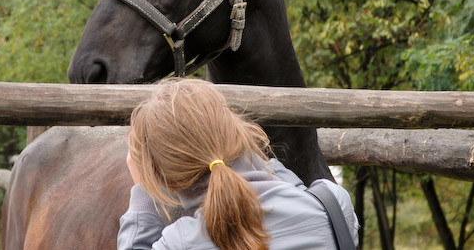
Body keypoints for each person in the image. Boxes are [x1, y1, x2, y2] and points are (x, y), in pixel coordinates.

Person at [118, 78, 359, 250]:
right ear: (238, 132)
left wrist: (144, 192)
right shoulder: (332, 207)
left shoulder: (178, 242)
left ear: (164, 179)